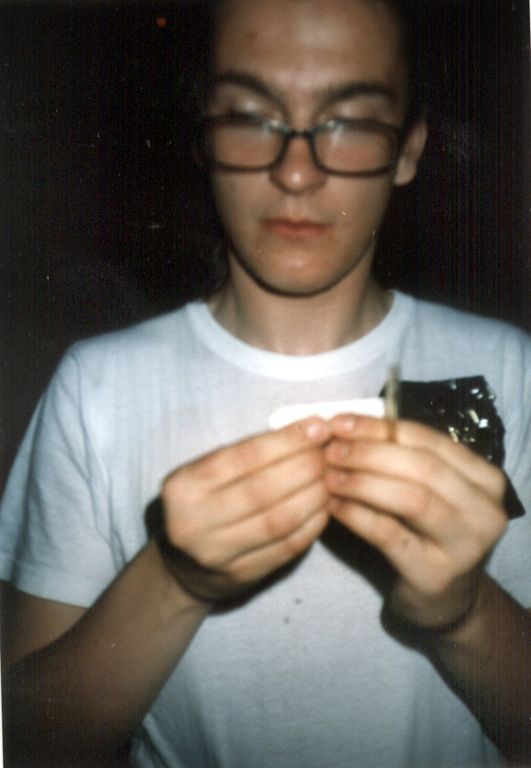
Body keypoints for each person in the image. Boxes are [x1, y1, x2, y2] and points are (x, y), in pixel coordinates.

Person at [1, 1, 530, 767]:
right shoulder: (98, 386)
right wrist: (174, 579)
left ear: (408, 148)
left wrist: (464, 612)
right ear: (203, 138)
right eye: (251, 117)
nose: (295, 172)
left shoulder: (509, 369)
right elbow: (26, 746)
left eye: (349, 121)